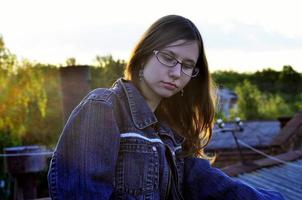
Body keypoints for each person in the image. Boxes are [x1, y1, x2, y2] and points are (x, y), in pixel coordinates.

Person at [47, 15, 284, 200]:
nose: (176, 72)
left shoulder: (173, 136)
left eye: (187, 65)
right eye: (169, 58)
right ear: (143, 56)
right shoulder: (103, 108)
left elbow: (222, 189)